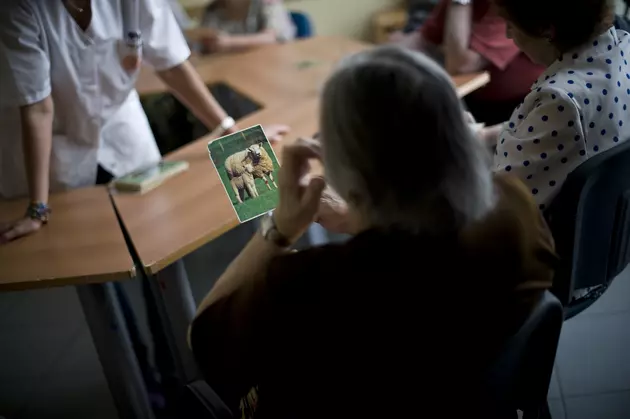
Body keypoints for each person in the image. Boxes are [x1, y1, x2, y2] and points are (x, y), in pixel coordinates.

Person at [189, 46, 556, 418]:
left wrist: (281, 227)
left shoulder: (313, 285)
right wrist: (358, 219)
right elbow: (424, 252)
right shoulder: (514, 207)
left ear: (348, 175)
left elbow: (204, 340)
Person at [0, 0, 288, 242]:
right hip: (51, 141)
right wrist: (37, 207)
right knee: (78, 248)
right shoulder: (19, 8)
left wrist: (230, 132)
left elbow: (172, 64)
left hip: (119, 123)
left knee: (158, 233)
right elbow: (38, 109)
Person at [482, 0, 629, 210]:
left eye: (511, 25)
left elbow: (501, 205)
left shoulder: (561, 100)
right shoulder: (622, 51)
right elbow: (569, 134)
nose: (507, 34)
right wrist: (486, 136)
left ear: (546, 30)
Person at [392, 0, 544, 125]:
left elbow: (461, 65)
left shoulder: (508, 6)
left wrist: (461, 2)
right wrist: (377, 57)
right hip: (472, 100)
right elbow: (423, 40)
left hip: (516, 111)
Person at [190, 0, 295, 54]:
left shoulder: (266, 2)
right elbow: (203, 47)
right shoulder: (212, 9)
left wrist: (228, 42)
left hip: (271, 63)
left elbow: (272, 37)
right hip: (230, 68)